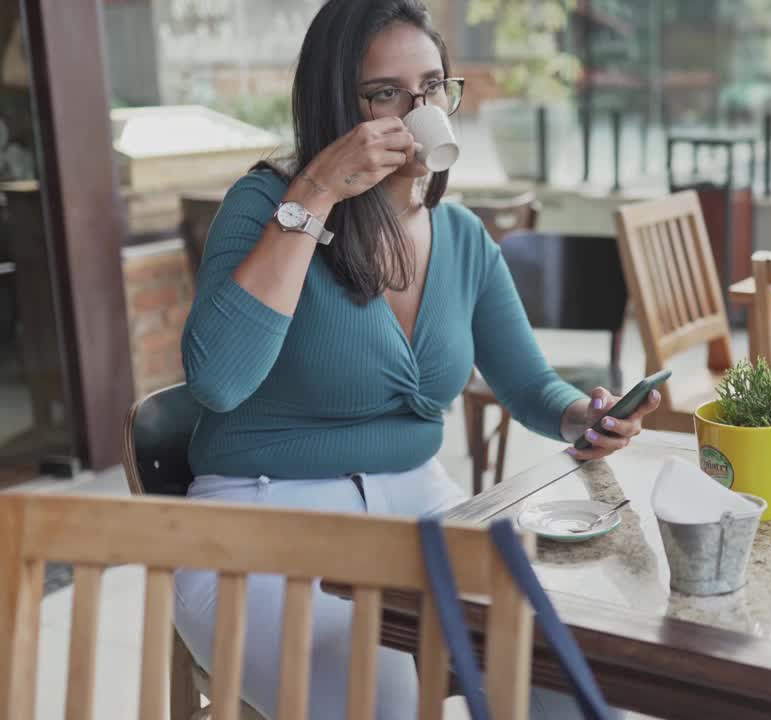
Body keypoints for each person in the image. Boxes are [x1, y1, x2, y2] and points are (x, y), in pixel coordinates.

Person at [173, 1, 656, 716]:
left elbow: (528, 386)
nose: (417, 110)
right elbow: (217, 380)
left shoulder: (459, 233)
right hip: (262, 518)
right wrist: (317, 192)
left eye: (432, 88)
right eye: (385, 94)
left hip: (422, 508)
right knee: (389, 694)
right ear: (337, 104)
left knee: (567, 670)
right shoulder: (267, 206)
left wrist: (583, 415)